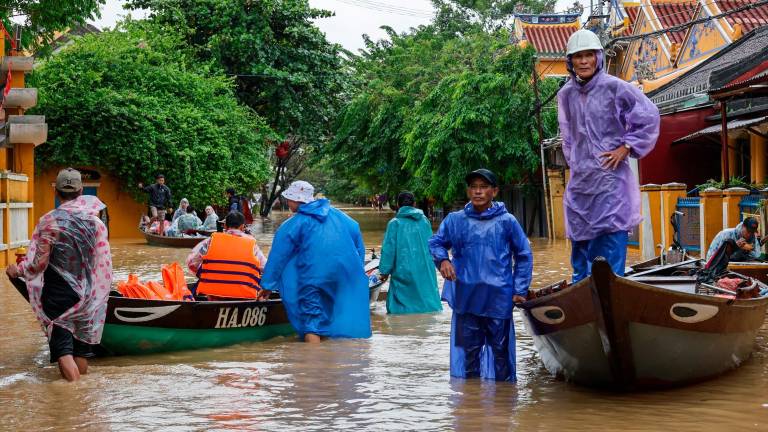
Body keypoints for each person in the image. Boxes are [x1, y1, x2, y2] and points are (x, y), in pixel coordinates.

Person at [558, 29, 660, 282]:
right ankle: (582, 305)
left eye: (588, 55)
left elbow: (648, 115)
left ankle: (610, 300)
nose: (583, 61)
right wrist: (579, 164)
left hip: (611, 182)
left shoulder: (615, 87)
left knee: (610, 248)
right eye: (578, 56)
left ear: (598, 57)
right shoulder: (566, 94)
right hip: (581, 183)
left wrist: (626, 147)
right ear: (570, 62)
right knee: (581, 255)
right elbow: (568, 137)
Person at [6, 168, 112, 381]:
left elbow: (39, 264)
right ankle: (82, 405)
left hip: (59, 294)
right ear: (81, 191)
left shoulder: (50, 222)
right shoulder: (96, 223)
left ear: (56, 191)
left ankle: (71, 401)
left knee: (63, 349)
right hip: (89, 294)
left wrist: (17, 271)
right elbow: (103, 263)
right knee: (81, 351)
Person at [429, 169, 533, 382]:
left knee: (501, 353)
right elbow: (436, 242)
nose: (478, 192)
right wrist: (443, 260)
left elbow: (523, 254)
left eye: (483, 187)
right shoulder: (454, 220)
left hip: (499, 298)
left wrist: (520, 290)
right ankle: (471, 402)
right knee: (469, 354)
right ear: (468, 191)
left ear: (494, 191)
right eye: (474, 187)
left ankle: (503, 402)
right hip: (466, 298)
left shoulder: (507, 221)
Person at [260, 180, 371, 342]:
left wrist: (267, 285)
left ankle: (313, 363)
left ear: (297, 200)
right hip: (338, 277)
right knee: (327, 315)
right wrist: (356, 270)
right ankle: (327, 360)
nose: (288, 202)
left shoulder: (293, 224)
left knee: (311, 322)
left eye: (289, 199)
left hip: (312, 277)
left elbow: (278, 256)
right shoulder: (340, 217)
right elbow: (356, 237)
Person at [379, 191, 442, 315]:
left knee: (401, 307)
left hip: (403, 269)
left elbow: (388, 250)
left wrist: (384, 272)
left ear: (397, 205)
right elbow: (432, 245)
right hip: (425, 268)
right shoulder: (424, 220)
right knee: (426, 299)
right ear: (414, 204)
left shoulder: (394, 223)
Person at [187, 211, 267, 299]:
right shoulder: (252, 244)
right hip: (244, 296)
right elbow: (267, 268)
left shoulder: (211, 241)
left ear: (225, 226)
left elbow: (191, 263)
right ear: (243, 227)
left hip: (214, 297)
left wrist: (205, 274)